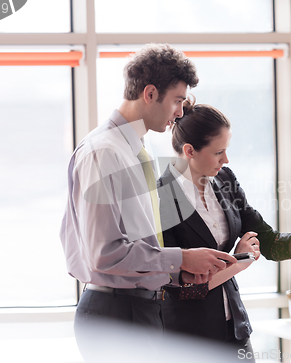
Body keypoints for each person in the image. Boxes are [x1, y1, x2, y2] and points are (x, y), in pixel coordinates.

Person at [59, 44, 236, 362]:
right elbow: (105, 253)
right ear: (151, 93)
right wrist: (180, 258)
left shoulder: (136, 152)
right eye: (177, 100)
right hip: (116, 313)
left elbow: (137, 244)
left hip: (141, 308)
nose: (181, 112)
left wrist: (177, 272)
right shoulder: (105, 152)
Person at [157, 98, 291, 361]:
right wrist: (240, 261)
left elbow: (270, 242)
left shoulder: (225, 180)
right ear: (189, 151)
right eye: (218, 152)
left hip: (234, 329)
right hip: (187, 338)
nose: (226, 159)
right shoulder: (161, 196)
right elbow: (180, 286)